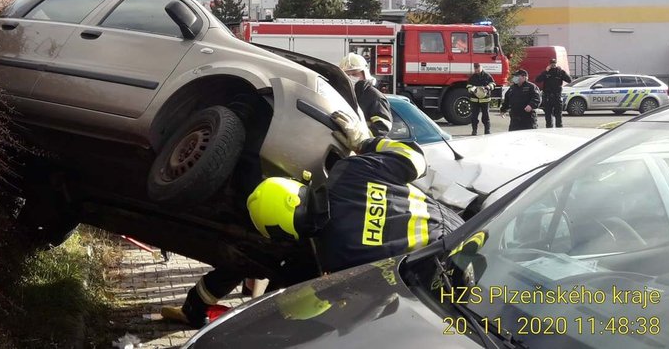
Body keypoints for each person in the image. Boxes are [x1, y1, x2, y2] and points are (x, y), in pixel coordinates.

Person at [160, 110, 463, 328]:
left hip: (444, 277)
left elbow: (371, 306)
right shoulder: (351, 172)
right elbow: (415, 159)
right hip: (462, 227)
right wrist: (364, 143)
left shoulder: (334, 259)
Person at [338, 52, 392, 137]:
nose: (350, 77)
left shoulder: (375, 97)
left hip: (368, 147)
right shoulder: (341, 95)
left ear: (364, 73)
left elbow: (383, 127)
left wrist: (361, 139)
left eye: (355, 74)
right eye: (347, 74)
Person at [534, 58, 572, 128]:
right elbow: (537, 80)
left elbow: (569, 80)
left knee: (558, 116)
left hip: (557, 97)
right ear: (549, 64)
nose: (553, 65)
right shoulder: (547, 72)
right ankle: (549, 130)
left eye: (554, 63)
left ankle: (559, 130)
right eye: (552, 64)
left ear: (556, 64)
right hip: (548, 97)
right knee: (548, 117)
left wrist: (563, 72)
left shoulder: (560, 72)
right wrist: (545, 72)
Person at [466, 63, 495, 136]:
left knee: (486, 116)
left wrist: (488, 87)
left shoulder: (487, 76)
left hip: (485, 100)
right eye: (475, 69)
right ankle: (474, 130)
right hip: (475, 100)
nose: (477, 70)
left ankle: (487, 131)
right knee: (474, 117)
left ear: (481, 67)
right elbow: (468, 86)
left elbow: (493, 84)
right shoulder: (472, 77)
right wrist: (472, 89)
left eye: (478, 69)